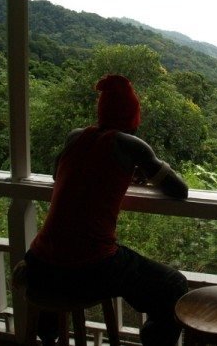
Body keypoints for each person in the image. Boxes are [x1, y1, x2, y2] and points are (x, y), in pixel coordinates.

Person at [24, 74, 188, 346]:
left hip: (39, 263)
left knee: (59, 283)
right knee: (173, 285)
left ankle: (48, 335)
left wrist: (123, 172)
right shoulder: (132, 145)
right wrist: (143, 167)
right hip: (89, 266)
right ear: (133, 119)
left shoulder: (76, 136)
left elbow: (58, 174)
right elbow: (179, 190)